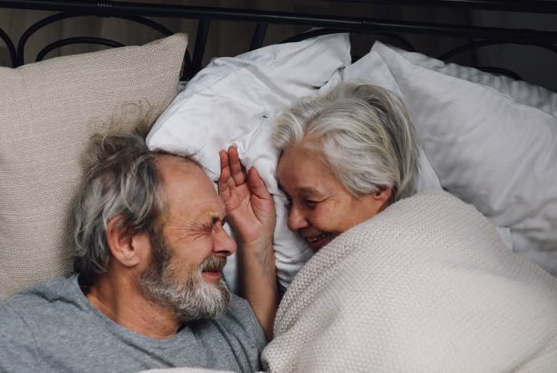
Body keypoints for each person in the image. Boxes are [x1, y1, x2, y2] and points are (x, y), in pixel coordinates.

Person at [220, 82, 557, 372]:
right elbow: (282, 350)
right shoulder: (338, 273)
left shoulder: (443, 222)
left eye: (311, 201)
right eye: (289, 201)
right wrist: (256, 241)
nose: (293, 221)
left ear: (378, 189)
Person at [0, 118, 266, 373]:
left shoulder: (229, 322)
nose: (228, 244)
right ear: (126, 242)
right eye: (205, 226)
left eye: (223, 225)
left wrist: (256, 240)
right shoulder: (30, 337)